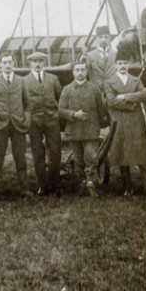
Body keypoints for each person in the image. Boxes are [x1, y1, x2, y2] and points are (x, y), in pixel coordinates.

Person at [103, 50, 146, 198]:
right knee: (122, 153)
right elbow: (111, 102)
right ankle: (128, 186)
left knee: (142, 153)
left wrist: (125, 96)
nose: (123, 66)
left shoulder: (136, 80)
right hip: (119, 121)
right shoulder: (108, 82)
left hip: (136, 122)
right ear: (115, 65)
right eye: (120, 63)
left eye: (125, 63)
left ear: (129, 65)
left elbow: (144, 95)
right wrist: (131, 104)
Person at [0, 52, 32, 202]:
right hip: (0, 125)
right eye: (4, 62)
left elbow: (28, 104)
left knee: (20, 158)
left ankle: (24, 190)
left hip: (18, 125)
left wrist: (26, 119)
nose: (8, 65)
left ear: (14, 63)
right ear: (0, 64)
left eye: (10, 62)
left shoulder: (22, 81)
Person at [58, 59, 106, 197]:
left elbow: (101, 109)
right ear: (73, 72)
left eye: (82, 70)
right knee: (78, 159)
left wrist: (95, 122)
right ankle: (81, 182)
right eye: (77, 70)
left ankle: (91, 183)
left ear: (86, 71)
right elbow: (60, 110)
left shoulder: (94, 88)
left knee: (91, 156)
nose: (80, 73)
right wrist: (74, 114)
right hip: (74, 130)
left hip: (91, 129)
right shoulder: (67, 89)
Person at [23, 52, 63, 196]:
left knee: (55, 151)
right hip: (34, 120)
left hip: (52, 119)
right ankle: (43, 185)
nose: (38, 64)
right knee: (38, 152)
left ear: (45, 62)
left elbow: (60, 98)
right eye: (34, 61)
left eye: (40, 61)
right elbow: (23, 102)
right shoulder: (24, 81)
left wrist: (56, 113)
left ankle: (55, 185)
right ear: (30, 64)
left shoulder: (53, 79)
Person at [85, 25, 117, 92]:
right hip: (96, 91)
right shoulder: (89, 55)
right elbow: (85, 71)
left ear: (110, 38)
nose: (103, 40)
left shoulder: (116, 54)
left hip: (112, 90)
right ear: (96, 38)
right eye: (100, 37)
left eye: (106, 37)